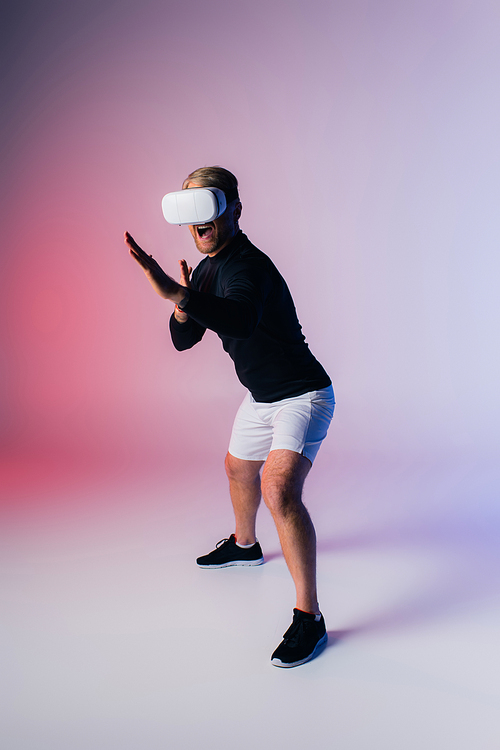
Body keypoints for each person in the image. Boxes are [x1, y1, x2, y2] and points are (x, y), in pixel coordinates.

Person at [124, 166, 334, 667]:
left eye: (209, 205)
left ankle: (310, 618)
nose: (200, 221)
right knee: (238, 467)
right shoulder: (206, 269)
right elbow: (186, 339)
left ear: (233, 209)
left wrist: (180, 296)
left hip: (303, 395)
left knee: (279, 490)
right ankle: (245, 545)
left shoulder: (248, 267)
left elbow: (240, 318)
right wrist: (182, 305)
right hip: (260, 398)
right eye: (191, 208)